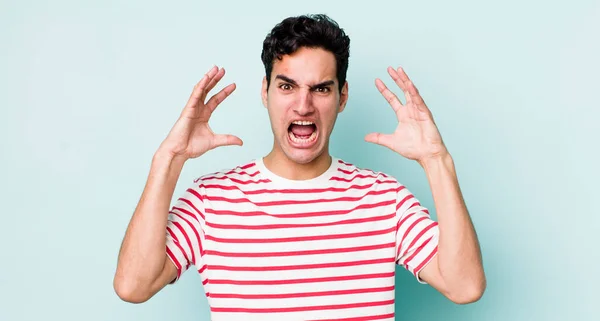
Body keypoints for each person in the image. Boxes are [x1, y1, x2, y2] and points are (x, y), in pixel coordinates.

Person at [113, 13, 486, 320]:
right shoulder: (211, 200)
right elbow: (133, 285)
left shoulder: (384, 198)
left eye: (321, 89)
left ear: (342, 98)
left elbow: (465, 286)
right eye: (287, 86)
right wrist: (169, 160)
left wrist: (437, 161)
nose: (303, 106)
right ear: (266, 92)